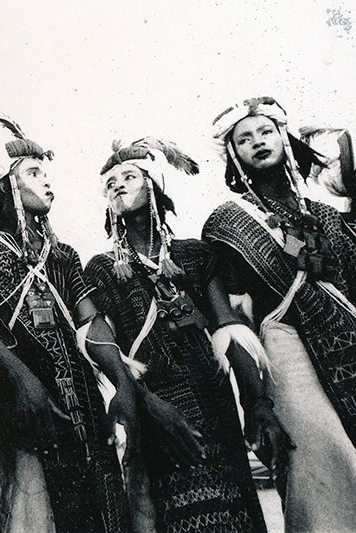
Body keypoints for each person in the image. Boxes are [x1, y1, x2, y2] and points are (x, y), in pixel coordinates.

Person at [83, 138, 287, 532]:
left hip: (216, 402)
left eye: (130, 176)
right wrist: (150, 406)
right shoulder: (102, 269)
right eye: (111, 183)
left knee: (236, 513)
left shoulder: (193, 254)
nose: (119, 186)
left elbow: (229, 330)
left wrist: (258, 403)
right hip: (158, 408)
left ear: (155, 186)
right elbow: (110, 355)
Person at [0, 110, 134, 533]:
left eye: (47, 172)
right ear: (8, 187)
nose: (47, 181)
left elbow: (91, 324)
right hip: (21, 398)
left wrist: (122, 385)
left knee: (99, 509)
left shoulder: (65, 255)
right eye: (34, 172)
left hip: (83, 401)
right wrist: (25, 380)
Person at [202, 96, 356, 531]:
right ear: (234, 154)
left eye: (265, 132)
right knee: (321, 461)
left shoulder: (325, 214)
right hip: (284, 346)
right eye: (244, 138)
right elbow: (234, 320)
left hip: (346, 340)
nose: (257, 142)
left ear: (284, 139)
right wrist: (257, 402)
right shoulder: (228, 222)